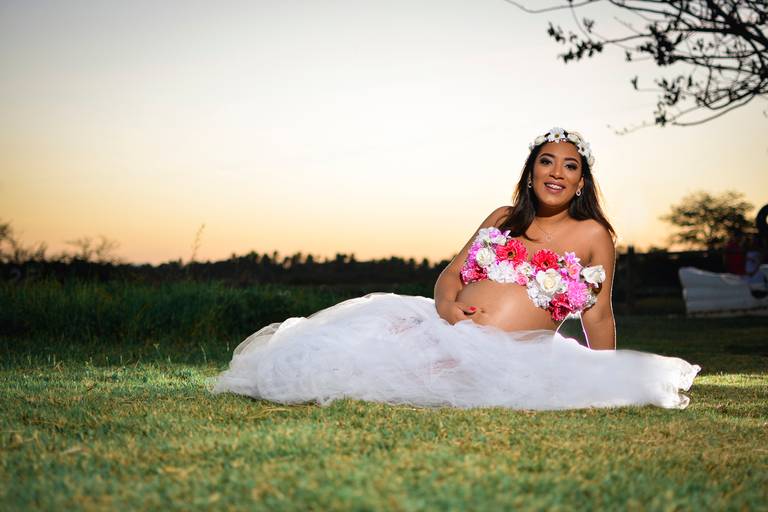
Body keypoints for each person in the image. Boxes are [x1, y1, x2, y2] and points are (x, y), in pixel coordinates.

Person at [208, 127, 701, 410]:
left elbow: (598, 314)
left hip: (513, 354)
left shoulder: (594, 234)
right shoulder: (503, 218)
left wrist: (605, 370)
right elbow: (451, 273)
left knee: (451, 383)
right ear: (531, 173)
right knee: (343, 358)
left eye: (569, 165)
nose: (556, 172)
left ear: (581, 181)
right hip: (447, 328)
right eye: (546, 161)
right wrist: (446, 305)